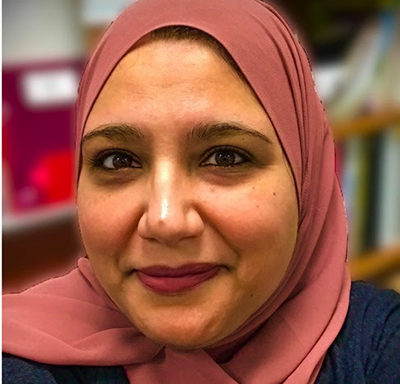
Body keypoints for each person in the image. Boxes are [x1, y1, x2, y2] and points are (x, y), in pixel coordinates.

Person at [3, 0, 400, 382]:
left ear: (306, 178)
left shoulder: (380, 345)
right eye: (117, 161)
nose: (165, 220)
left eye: (225, 157)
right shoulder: (23, 360)